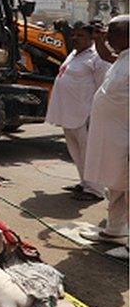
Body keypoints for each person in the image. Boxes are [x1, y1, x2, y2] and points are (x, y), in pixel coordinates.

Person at [44, 22, 111, 200]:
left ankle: (96, 190)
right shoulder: (74, 54)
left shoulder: (97, 58)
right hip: (69, 113)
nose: (75, 38)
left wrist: (95, 114)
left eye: (80, 36)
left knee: (90, 153)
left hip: (85, 114)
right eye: (74, 34)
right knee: (76, 151)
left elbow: (102, 87)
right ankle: (84, 183)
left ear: (91, 38)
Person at [81, 15, 130, 245]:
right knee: (117, 187)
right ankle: (115, 231)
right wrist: (100, 40)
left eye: (112, 33)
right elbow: (106, 55)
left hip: (125, 142)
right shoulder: (123, 57)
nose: (107, 37)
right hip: (114, 142)